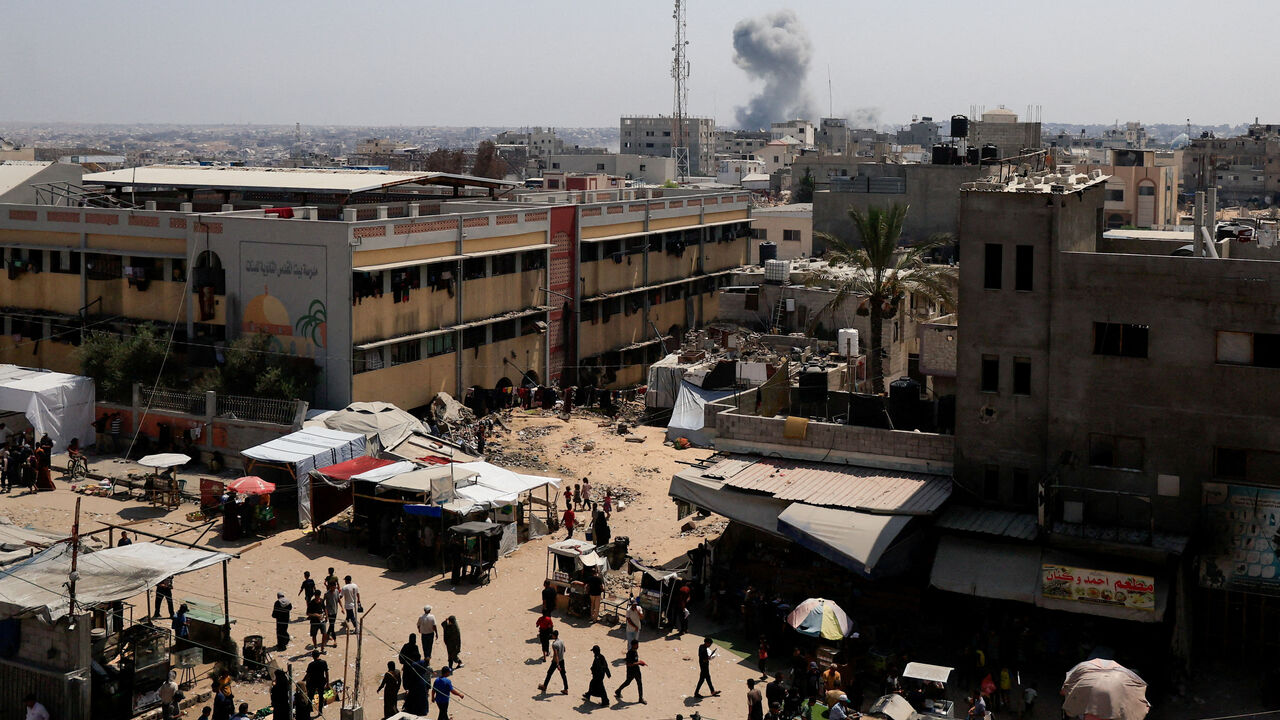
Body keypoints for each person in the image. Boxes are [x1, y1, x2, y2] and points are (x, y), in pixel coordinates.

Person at [614, 640, 646, 704]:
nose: (638, 646)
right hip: (631, 671)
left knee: (639, 683)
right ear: (633, 645)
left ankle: (640, 698)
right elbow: (628, 664)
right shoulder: (630, 653)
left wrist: (639, 662)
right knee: (628, 682)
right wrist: (639, 663)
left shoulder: (635, 651)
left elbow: (634, 661)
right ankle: (618, 691)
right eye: (637, 645)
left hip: (636, 670)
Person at [538, 629, 568, 694]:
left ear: (554, 635)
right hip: (562, 660)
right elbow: (564, 650)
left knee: (549, 673)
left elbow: (556, 655)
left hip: (556, 662)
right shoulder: (561, 641)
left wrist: (557, 664)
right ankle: (566, 689)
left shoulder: (554, 644)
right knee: (563, 675)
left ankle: (544, 686)